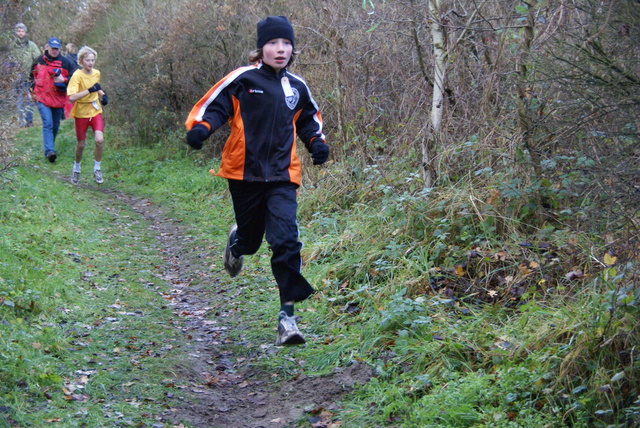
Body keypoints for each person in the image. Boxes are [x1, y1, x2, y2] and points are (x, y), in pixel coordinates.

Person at [185, 16, 330, 346]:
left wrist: (317, 143)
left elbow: (310, 120)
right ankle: (237, 242)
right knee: (251, 242)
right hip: (244, 172)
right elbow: (215, 106)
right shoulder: (242, 78)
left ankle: (287, 320)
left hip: (283, 174)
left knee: (286, 241)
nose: (280, 50)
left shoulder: (298, 86)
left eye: (286, 44)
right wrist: (201, 129)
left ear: (293, 49)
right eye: (273, 44)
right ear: (261, 48)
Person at [66, 46, 108, 185]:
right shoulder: (77, 76)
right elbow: (72, 97)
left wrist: (103, 95)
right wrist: (89, 90)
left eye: (92, 60)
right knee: (81, 144)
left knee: (99, 140)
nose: (90, 63)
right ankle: (76, 168)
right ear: (81, 61)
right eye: (87, 60)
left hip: (95, 110)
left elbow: (96, 86)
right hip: (81, 112)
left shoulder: (96, 73)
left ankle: (97, 168)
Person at [30, 37, 75, 162]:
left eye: (57, 49)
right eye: (52, 48)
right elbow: (31, 76)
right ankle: (49, 151)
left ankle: (50, 148)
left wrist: (64, 80)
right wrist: (32, 92)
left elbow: (76, 78)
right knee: (48, 124)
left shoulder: (67, 62)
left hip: (58, 99)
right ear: (47, 47)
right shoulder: (38, 60)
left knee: (55, 126)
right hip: (42, 97)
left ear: (60, 49)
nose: (55, 51)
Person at [6, 23, 41, 128]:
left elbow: (37, 57)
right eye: (18, 31)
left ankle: (29, 121)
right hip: (16, 77)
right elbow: (8, 59)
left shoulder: (31, 45)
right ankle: (21, 121)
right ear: (15, 32)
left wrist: (34, 68)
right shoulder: (12, 45)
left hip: (29, 76)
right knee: (20, 99)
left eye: (22, 31)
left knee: (29, 99)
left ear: (25, 32)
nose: (20, 33)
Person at [63, 43, 79, 118]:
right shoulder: (80, 59)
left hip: (69, 83)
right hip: (79, 83)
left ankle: (69, 119)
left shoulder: (66, 59)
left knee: (68, 104)